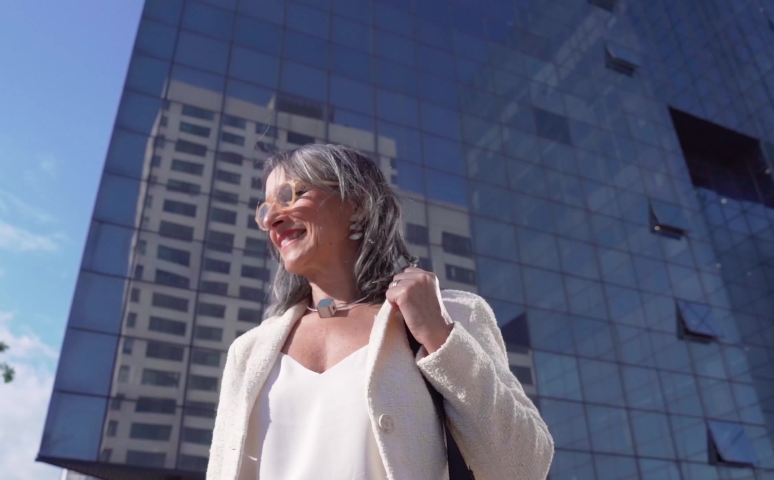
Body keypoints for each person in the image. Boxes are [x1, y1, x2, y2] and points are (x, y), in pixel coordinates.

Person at [206, 144, 554, 480]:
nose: (273, 220)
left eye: (289, 196)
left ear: (356, 202)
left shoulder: (452, 315)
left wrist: (440, 337)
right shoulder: (249, 351)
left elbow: (525, 468)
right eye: (265, 209)